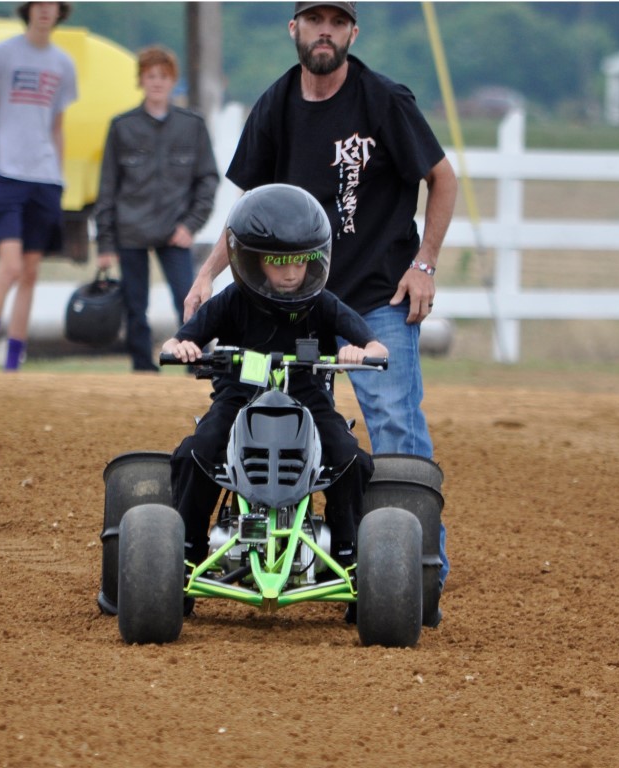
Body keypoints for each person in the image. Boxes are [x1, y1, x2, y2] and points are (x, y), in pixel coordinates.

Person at [181, 1, 457, 623]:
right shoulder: (275, 106)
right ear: (295, 30)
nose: (324, 32)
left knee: (392, 424)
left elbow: (442, 178)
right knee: (273, 413)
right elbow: (247, 215)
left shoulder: (384, 100)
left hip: (377, 296)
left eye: (336, 21)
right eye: (314, 20)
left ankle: (417, 574)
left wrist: (426, 264)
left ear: (353, 33)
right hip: (295, 301)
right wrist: (205, 277)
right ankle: (276, 540)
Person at [164, 184, 387, 609]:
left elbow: (377, 347)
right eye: (278, 262)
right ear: (251, 260)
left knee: (349, 458)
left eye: (299, 262)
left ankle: (350, 554)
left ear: (314, 259)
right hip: (238, 399)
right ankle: (186, 552)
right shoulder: (231, 300)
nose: (290, 273)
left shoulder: (322, 303)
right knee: (196, 451)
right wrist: (185, 348)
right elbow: (178, 342)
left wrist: (360, 351)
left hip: (307, 398)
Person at [94, 45, 219, 372]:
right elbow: (107, 187)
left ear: (173, 80)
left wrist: (190, 225)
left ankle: (198, 364)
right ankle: (141, 369)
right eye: (150, 76)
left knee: (189, 299)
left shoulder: (192, 126)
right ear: (141, 80)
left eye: (163, 76)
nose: (157, 82)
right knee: (136, 306)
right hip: (130, 230)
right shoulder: (122, 127)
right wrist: (105, 244)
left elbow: (208, 179)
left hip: (174, 230)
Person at [0, 1, 77, 371]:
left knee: (31, 272)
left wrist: (58, 174)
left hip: (45, 179)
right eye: (39, 3)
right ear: (27, 9)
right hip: (6, 176)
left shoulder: (64, 64)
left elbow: (57, 125)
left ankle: (13, 363)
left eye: (54, 5)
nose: (46, 10)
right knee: (10, 267)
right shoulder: (1, 54)